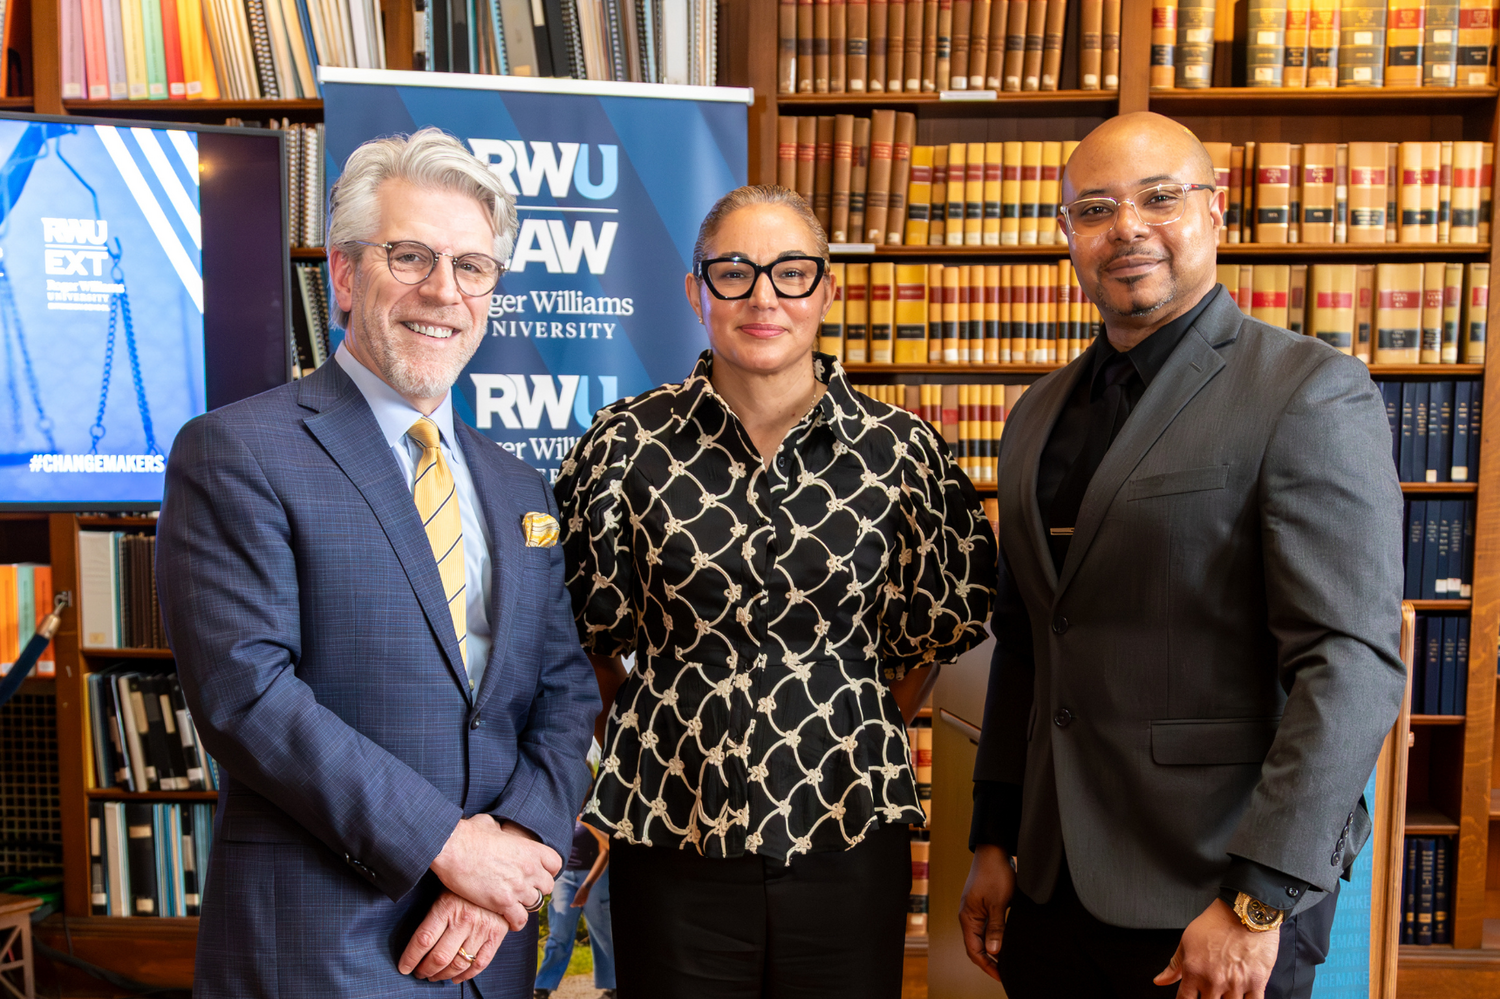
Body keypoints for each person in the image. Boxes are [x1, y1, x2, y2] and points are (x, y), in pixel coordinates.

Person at [957, 111, 1406, 999]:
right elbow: (1028, 646)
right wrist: (994, 837)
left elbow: (1348, 665)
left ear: (1215, 212)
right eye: (1094, 209)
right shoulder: (1034, 418)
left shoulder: (1308, 391)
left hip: (1213, 894)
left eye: (1159, 198)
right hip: (1050, 892)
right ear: (1068, 237)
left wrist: (1257, 900)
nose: (1127, 228)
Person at [156, 127, 600, 999]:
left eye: (472, 267)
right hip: (321, 946)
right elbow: (246, 696)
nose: (444, 290)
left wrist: (516, 850)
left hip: (488, 949)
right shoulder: (235, 451)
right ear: (347, 275)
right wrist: (451, 845)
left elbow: (566, 690)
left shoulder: (520, 487)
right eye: (411, 256)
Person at [552, 184, 997, 999]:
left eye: (792, 272)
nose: (764, 296)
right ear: (696, 291)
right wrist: (653, 721)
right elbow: (582, 630)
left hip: (848, 824)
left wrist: (845, 718)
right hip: (670, 826)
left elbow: (934, 631)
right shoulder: (624, 444)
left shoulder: (899, 452)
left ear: (827, 288)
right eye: (734, 272)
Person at [533, 815, 615, 999]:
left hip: (596, 875)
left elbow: (607, 848)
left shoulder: (596, 810)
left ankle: (612, 987)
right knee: (559, 930)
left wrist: (587, 885)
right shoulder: (564, 809)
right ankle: (543, 987)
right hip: (565, 875)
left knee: (602, 931)